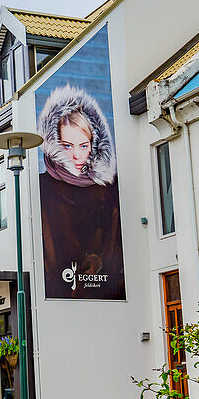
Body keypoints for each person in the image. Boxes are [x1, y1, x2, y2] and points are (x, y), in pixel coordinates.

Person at [37, 83, 125, 300]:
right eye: (67, 146)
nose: (76, 156)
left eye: (83, 146)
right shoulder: (44, 188)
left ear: (94, 145)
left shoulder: (110, 188)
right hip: (58, 301)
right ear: (54, 143)